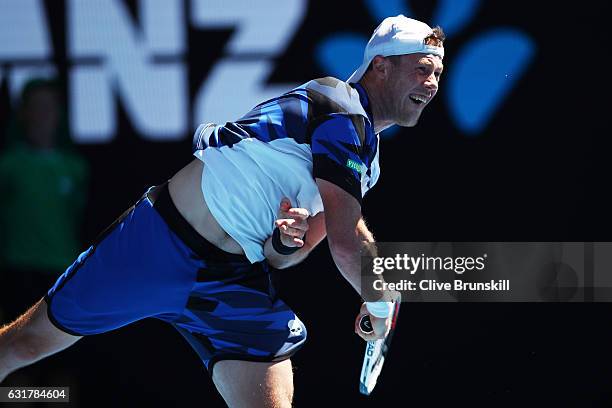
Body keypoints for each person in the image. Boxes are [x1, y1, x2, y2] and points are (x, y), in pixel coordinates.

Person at [0, 15, 445, 407]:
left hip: (232, 283)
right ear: (380, 66)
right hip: (158, 244)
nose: (432, 83)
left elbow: (288, 256)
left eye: (439, 73)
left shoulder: (369, 163)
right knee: (25, 344)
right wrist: (381, 298)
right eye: (422, 69)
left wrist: (282, 239)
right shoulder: (336, 109)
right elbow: (349, 246)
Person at [0, 78, 88, 320]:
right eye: (36, 106)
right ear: (24, 113)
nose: (43, 114)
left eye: (49, 106)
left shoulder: (75, 167)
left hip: (62, 270)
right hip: (18, 270)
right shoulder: (8, 165)